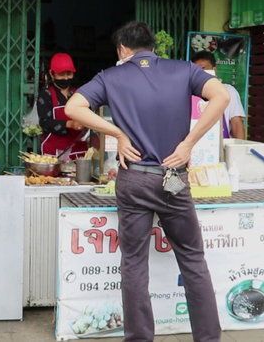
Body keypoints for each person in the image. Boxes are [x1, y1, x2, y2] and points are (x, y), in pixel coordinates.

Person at [65, 21, 229, 342]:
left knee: (134, 263)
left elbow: (73, 107)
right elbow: (221, 97)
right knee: (193, 260)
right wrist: (188, 143)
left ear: (122, 50)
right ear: (152, 47)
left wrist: (115, 132)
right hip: (174, 179)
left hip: (135, 180)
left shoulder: (110, 77)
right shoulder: (184, 71)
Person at [37, 52, 88, 160]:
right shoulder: (46, 94)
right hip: (54, 153)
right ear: (52, 73)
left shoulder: (78, 93)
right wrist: (70, 124)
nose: (65, 78)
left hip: (78, 151)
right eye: (61, 74)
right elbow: (45, 122)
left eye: (69, 74)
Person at [191, 51, 246, 139]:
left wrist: (240, 150)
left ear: (214, 69)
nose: (201, 73)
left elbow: (236, 123)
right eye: (196, 70)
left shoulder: (228, 91)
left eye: (204, 68)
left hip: (222, 145)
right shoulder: (189, 93)